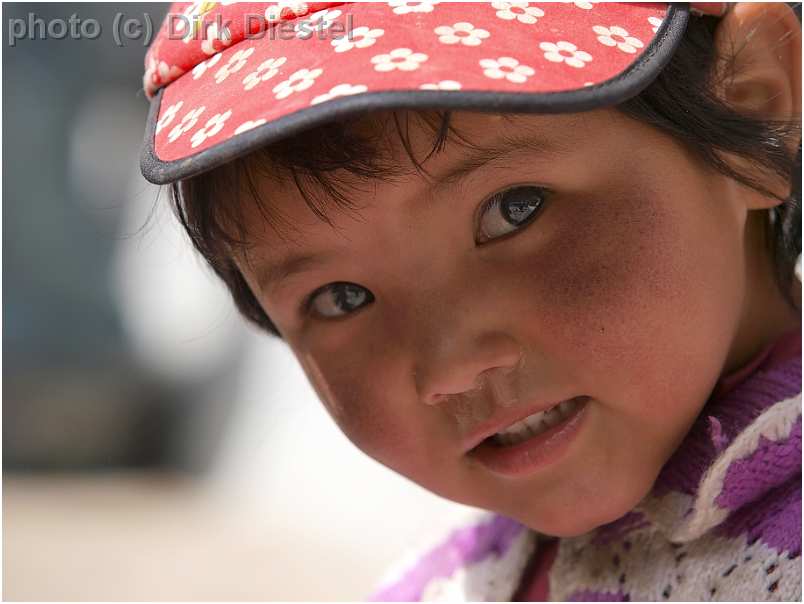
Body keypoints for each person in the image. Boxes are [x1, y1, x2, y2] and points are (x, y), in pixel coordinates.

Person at [138, 2, 801, 600]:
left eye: (516, 209)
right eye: (342, 297)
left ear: (749, 105)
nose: (450, 367)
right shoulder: (445, 587)